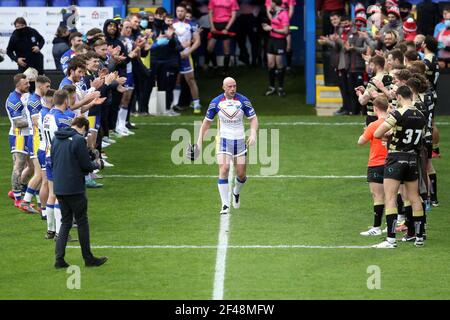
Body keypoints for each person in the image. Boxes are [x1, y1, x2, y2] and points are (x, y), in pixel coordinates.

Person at [189, 77, 258, 214]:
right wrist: (198, 143)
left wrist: (253, 133)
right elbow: (206, 123)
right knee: (224, 168)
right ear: (223, 87)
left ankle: (236, 193)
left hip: (239, 141)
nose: (233, 89)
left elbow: (253, 119)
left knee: (241, 175)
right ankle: (225, 205)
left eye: (234, 86)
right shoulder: (216, 103)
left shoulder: (243, 101)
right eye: (230, 86)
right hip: (223, 140)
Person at [373, 85, 427, 248]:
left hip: (396, 157)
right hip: (412, 159)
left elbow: (377, 133)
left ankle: (390, 239)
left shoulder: (398, 113)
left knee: (390, 198)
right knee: (414, 197)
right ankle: (419, 237)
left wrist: (388, 135)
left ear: (399, 97)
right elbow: (420, 137)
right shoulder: (421, 114)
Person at [51, 115, 107, 269]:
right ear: (83, 127)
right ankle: (88, 259)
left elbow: (54, 161)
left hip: (59, 187)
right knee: (82, 221)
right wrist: (97, 164)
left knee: (65, 222)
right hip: (74, 188)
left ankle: (59, 259)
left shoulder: (56, 138)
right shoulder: (78, 140)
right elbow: (86, 166)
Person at [20, 75, 52, 214]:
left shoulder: (37, 99)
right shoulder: (35, 101)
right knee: (39, 174)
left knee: (42, 175)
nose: (49, 89)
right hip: (36, 140)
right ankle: (25, 201)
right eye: (47, 86)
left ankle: (41, 205)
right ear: (40, 86)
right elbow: (35, 121)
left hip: (38, 139)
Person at [358, 96, 389, 237]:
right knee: (392, 195)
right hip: (391, 162)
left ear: (375, 108)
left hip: (376, 163)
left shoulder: (374, 125)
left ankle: (376, 227)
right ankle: (392, 224)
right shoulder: (392, 122)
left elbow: (361, 141)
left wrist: (366, 131)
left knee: (377, 196)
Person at [6, 74, 31, 208]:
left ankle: (22, 189)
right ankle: (17, 197)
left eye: (28, 82)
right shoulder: (14, 100)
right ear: (18, 85)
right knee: (19, 165)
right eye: (25, 84)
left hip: (29, 135)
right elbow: (17, 123)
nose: (28, 85)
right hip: (19, 135)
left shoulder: (24, 96)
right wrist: (33, 122)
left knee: (32, 167)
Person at [172, 2, 202, 114]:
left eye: (182, 11)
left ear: (186, 12)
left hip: (185, 56)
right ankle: (174, 105)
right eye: (178, 11)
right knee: (174, 80)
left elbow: (198, 41)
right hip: (173, 57)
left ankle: (196, 104)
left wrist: (188, 51)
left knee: (190, 80)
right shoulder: (171, 24)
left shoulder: (192, 24)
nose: (179, 13)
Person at [263, 0, 290, 97]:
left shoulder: (284, 14)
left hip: (280, 41)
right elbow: (273, 24)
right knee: (270, 64)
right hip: (271, 40)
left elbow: (285, 31)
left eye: (271, 3)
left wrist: (272, 29)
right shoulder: (274, 12)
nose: (269, 4)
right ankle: (271, 87)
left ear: (275, 3)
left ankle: (281, 88)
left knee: (279, 65)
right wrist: (267, 27)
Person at [206, 0, 239, 73]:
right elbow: (210, 13)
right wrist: (212, 27)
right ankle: (215, 66)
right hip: (215, 24)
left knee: (226, 49)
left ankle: (225, 71)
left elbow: (233, 16)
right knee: (209, 48)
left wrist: (227, 28)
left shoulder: (232, 1)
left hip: (227, 24)